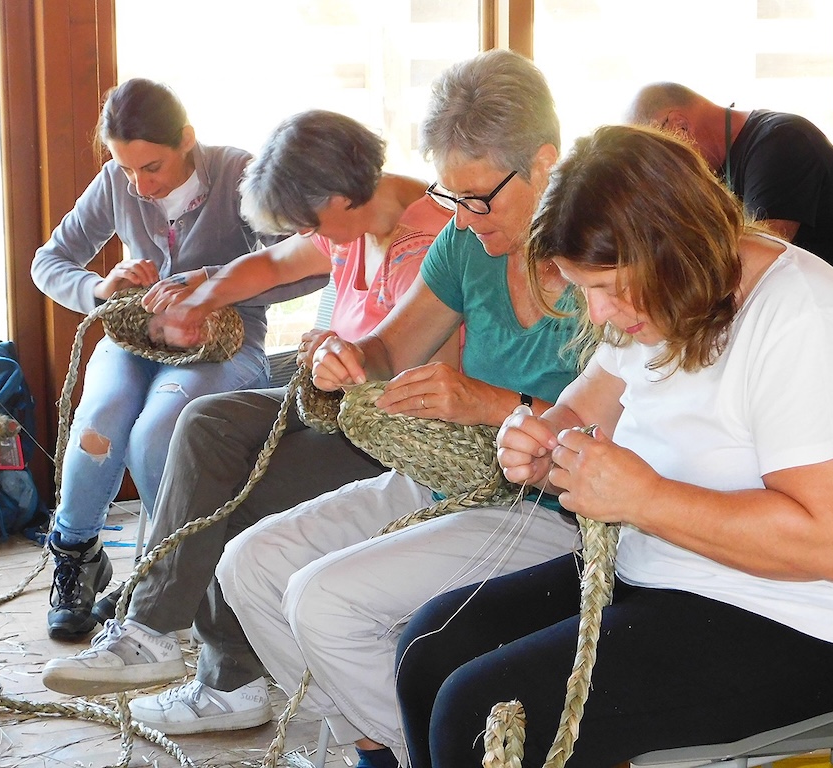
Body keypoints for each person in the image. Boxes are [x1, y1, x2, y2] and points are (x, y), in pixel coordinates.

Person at [394, 124, 833, 768]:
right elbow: (581, 412)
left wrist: (644, 499)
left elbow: (831, 544)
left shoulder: (807, 320)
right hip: (670, 579)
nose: (597, 315)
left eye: (608, 288)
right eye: (584, 289)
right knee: (429, 649)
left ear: (677, 246)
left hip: (816, 630)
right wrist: (538, 441)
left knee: (481, 711)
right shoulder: (665, 292)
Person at [38, 109, 459, 735]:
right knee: (206, 422)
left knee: (240, 489)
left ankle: (232, 681)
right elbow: (271, 266)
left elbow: (414, 381)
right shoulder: (352, 217)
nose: (311, 237)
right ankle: (152, 629)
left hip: (396, 435)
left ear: (341, 195)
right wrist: (195, 295)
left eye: (311, 223)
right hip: (333, 398)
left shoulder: (434, 240)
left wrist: (344, 359)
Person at [216, 50, 581, 768]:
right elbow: (390, 349)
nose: (465, 217)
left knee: (324, 601)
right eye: (452, 197)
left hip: (550, 508)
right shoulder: (467, 241)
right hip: (454, 480)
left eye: (480, 197)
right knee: (248, 565)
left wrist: (487, 403)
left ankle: (426, 751)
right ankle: (382, 744)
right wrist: (344, 360)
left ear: (545, 163)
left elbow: (627, 422)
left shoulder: (605, 254)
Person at [30, 78, 323, 640]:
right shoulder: (116, 181)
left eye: (152, 167)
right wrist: (101, 286)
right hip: (137, 340)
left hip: (228, 346)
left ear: (187, 139)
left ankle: (161, 572)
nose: (138, 185)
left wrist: (214, 290)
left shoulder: (239, 173)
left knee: (158, 430)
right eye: (126, 168)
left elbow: (309, 263)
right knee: (100, 420)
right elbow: (50, 261)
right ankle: (77, 554)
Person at [625, 82, 833, 302]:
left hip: (828, 327)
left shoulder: (783, 142)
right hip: (783, 312)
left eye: (658, 159)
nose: (664, 174)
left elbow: (752, 264)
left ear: (679, 127)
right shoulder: (717, 165)